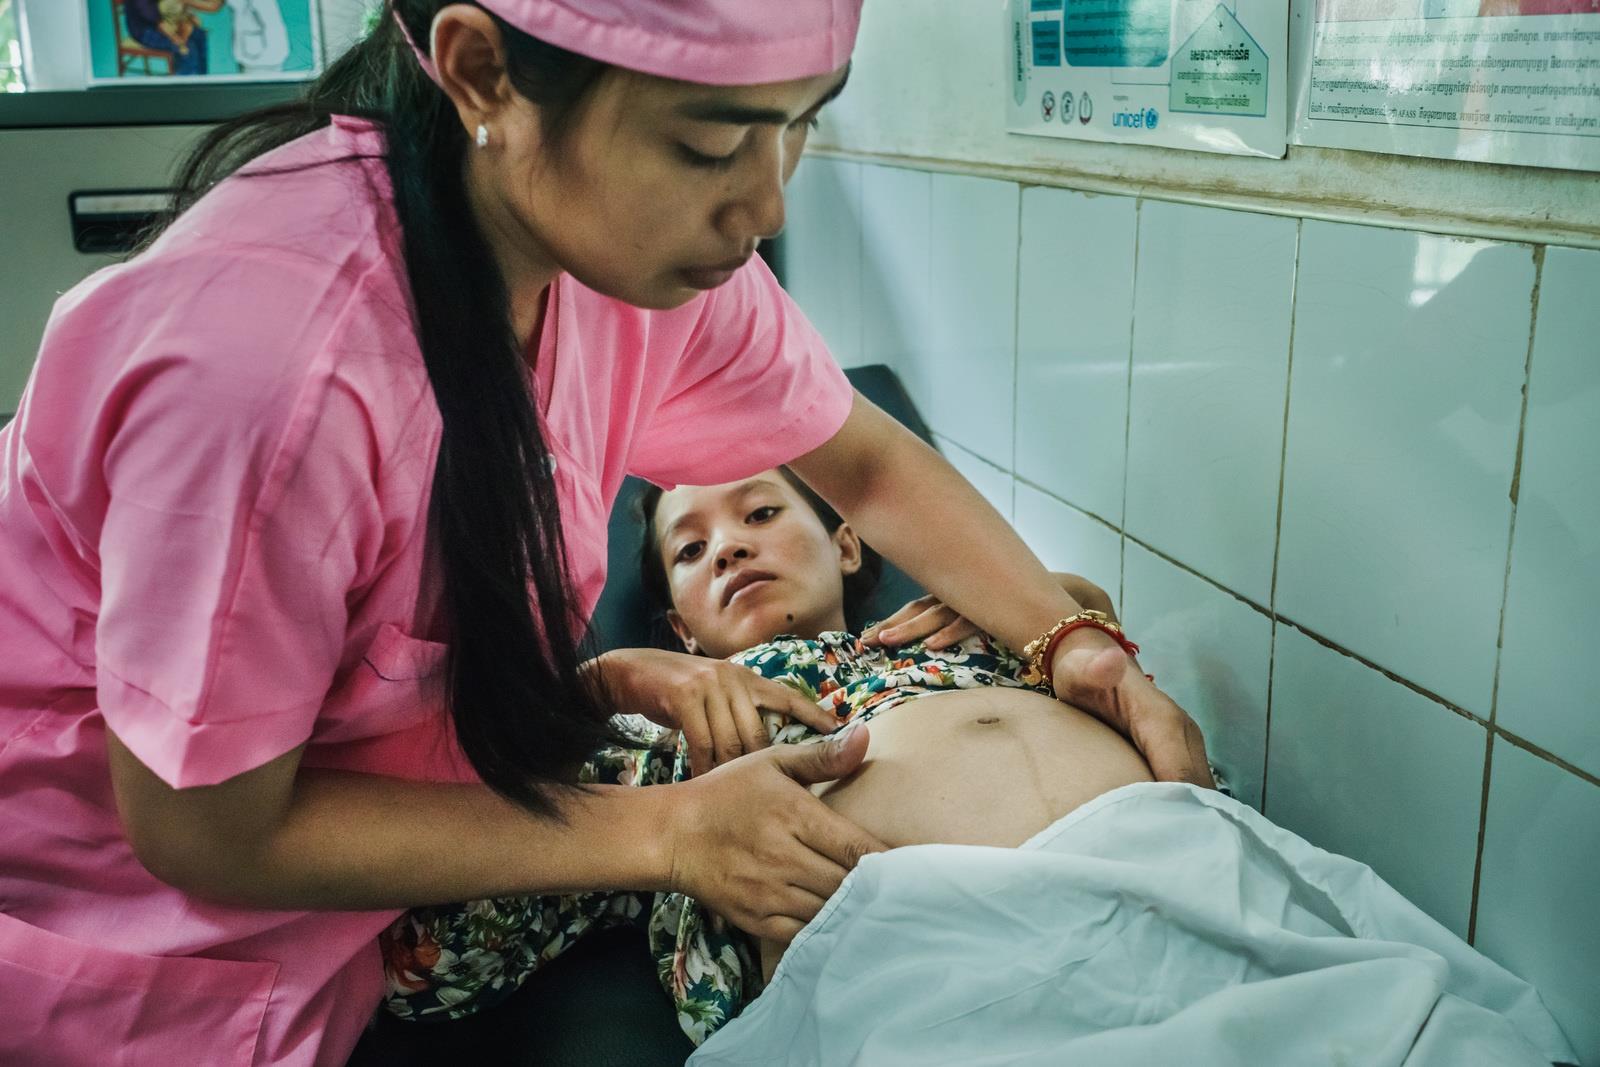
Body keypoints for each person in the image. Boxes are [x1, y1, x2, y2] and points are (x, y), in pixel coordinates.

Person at [0, 3, 1212, 1064]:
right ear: (481, 73)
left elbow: (866, 461)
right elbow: (204, 827)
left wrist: (1068, 640)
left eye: (798, 124)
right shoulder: (268, 375)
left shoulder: (616, 255)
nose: (764, 204)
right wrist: (669, 828)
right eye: (709, 144)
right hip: (140, 947)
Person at [384, 467, 1169, 1042]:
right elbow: (429, 963)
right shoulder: (663, 752)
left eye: (760, 511)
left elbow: (1123, 682)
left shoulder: (983, 629)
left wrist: (1058, 605)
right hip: (927, 995)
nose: (728, 547)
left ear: (847, 545)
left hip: (1169, 879)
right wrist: (602, 682)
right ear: (682, 631)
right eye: (691, 550)